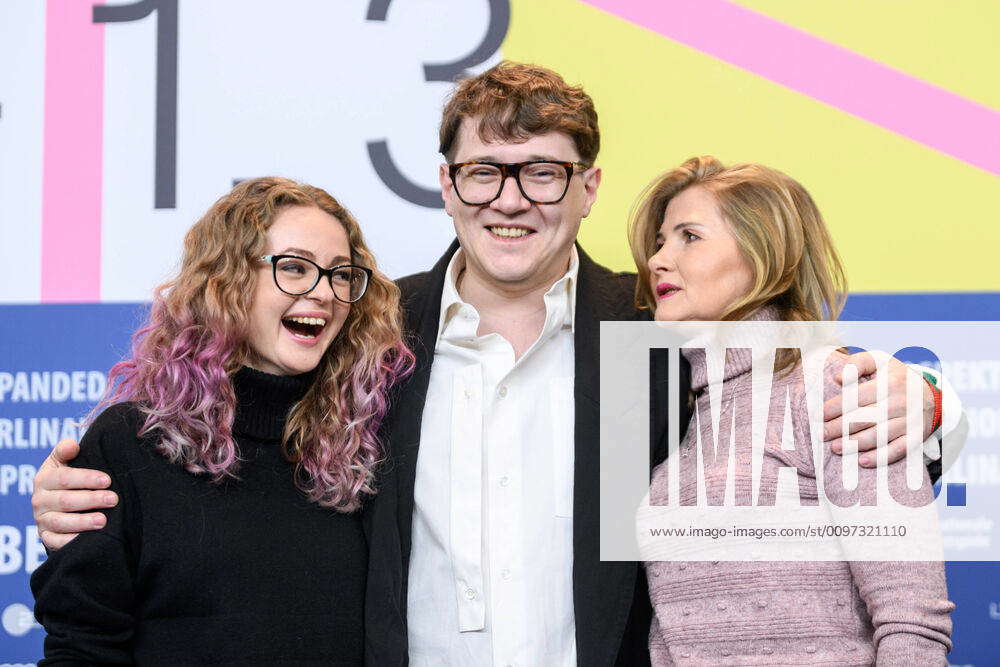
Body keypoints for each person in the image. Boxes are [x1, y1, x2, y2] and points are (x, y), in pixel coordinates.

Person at [30, 63, 957, 666]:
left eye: (544, 171)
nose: (512, 199)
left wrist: (932, 402)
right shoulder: (370, 332)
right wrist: (75, 487)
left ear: (589, 188)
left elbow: (793, 387)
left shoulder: (653, 326)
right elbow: (226, 429)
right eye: (485, 171)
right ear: (446, 184)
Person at [29, 177, 413, 664]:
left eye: (341, 274)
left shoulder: (369, 443)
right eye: (294, 268)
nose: (323, 293)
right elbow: (83, 647)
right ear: (226, 281)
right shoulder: (130, 443)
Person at [631, 156, 954, 664]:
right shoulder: (683, 417)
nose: (658, 260)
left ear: (763, 254)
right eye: (659, 242)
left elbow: (912, 622)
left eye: (689, 237)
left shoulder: (837, 388)